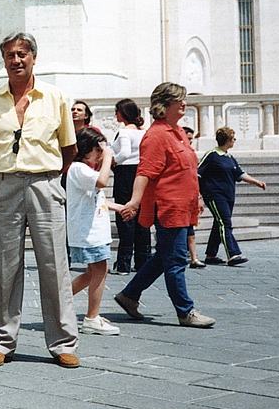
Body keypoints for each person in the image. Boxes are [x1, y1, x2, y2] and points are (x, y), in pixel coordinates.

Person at [0, 32, 80, 369]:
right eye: (10, 55)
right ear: (3, 60)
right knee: (4, 267)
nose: (16, 60)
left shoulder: (56, 97)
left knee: (53, 265)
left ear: (34, 57)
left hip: (45, 184)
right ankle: (2, 342)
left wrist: (41, 173)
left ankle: (63, 342)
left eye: (22, 54)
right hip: (6, 185)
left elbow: (69, 148)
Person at [114, 82, 215, 328]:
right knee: (177, 259)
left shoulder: (177, 131)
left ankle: (128, 295)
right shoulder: (157, 135)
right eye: (178, 99)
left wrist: (197, 198)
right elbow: (145, 172)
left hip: (184, 205)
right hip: (168, 207)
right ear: (163, 105)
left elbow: (187, 169)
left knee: (163, 257)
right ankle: (185, 311)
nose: (184, 103)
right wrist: (135, 202)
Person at [67, 129, 127, 335]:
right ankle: (92, 317)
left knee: (92, 273)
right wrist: (109, 157)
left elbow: (96, 197)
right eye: (97, 149)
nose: (101, 153)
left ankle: (60, 302)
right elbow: (101, 183)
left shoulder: (83, 170)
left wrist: (118, 207)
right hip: (89, 232)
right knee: (100, 271)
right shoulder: (78, 169)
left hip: (92, 231)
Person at [198, 127, 267, 266]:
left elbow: (240, 174)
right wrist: (198, 195)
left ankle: (211, 255)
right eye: (233, 139)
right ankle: (233, 253)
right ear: (228, 140)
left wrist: (256, 182)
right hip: (214, 195)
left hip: (228, 195)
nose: (234, 141)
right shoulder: (212, 155)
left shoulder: (230, 158)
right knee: (225, 223)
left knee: (219, 224)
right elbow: (198, 173)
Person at [112, 98, 151, 275]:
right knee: (142, 218)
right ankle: (143, 260)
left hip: (125, 174)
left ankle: (123, 263)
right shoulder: (144, 132)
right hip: (141, 172)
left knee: (125, 215)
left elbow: (125, 152)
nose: (115, 114)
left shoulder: (124, 132)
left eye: (117, 111)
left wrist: (113, 161)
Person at [182, 126, 204, 268]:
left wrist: (199, 197)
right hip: (178, 197)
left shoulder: (191, 154)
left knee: (191, 228)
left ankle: (194, 257)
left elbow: (194, 178)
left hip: (190, 196)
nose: (190, 141)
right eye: (187, 138)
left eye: (191, 139)